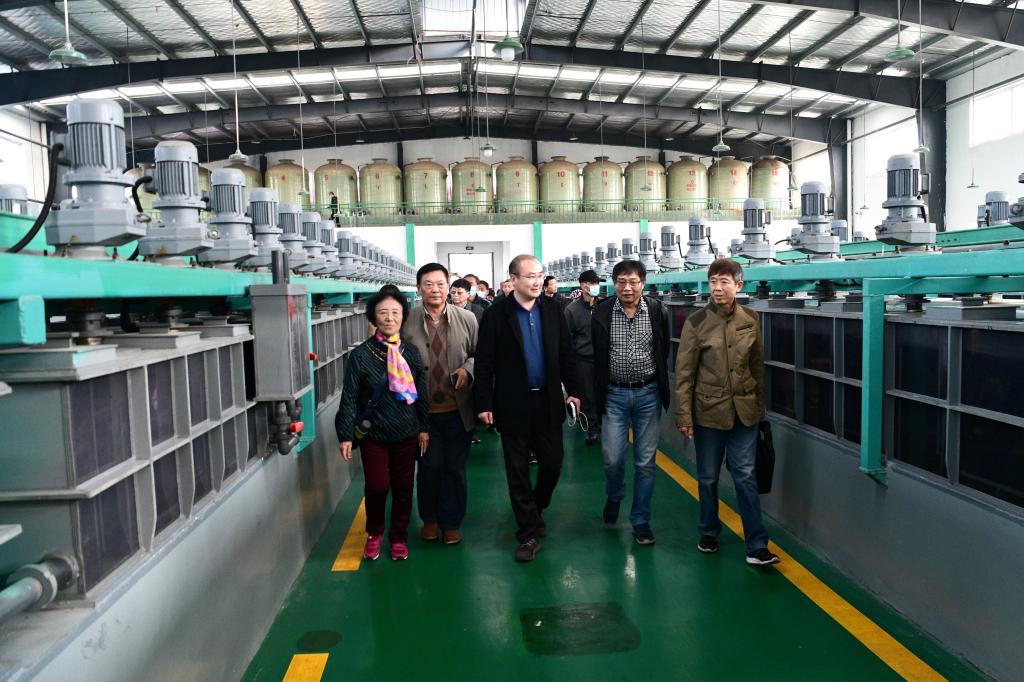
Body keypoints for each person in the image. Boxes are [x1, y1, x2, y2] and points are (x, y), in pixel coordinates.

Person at [474, 254, 582, 562]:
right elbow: (484, 362)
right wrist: (484, 403)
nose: (537, 282)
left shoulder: (552, 309)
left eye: (540, 275)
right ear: (513, 280)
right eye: (530, 276)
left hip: (548, 401)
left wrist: (574, 391)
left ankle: (535, 507)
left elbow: (566, 353)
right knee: (517, 471)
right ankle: (528, 533)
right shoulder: (496, 315)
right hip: (512, 403)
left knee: (553, 464)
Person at [675, 258, 780, 567]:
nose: (717, 288)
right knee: (708, 477)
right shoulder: (696, 322)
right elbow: (684, 374)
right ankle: (708, 531)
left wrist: (759, 410)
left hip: (744, 412)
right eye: (713, 282)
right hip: (708, 412)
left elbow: (756, 367)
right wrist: (684, 417)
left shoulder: (751, 319)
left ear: (738, 285)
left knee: (745, 476)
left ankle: (757, 545)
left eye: (724, 282)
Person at [336, 286, 429, 562]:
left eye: (395, 313)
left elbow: (421, 394)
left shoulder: (411, 353)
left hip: (406, 431)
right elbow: (350, 397)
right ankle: (374, 533)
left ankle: (399, 537)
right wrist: (345, 435)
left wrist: (424, 427)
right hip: (373, 434)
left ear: (403, 316)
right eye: (383, 313)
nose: (390, 318)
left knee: (403, 488)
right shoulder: (361, 355)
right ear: (373, 317)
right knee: (377, 485)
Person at [591, 260, 671, 545]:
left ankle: (640, 520)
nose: (628, 288)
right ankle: (615, 495)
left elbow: (663, 351)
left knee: (645, 462)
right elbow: (596, 353)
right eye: (622, 282)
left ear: (643, 283)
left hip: (648, 394)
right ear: (614, 284)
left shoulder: (658, 311)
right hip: (613, 394)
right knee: (612, 458)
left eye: (634, 282)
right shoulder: (601, 312)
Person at [403, 264, 479, 546]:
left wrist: (468, 369)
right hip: (422, 413)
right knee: (429, 467)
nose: (435, 289)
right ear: (419, 288)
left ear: (449, 287)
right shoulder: (407, 320)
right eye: (428, 284)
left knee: (455, 468)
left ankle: (451, 522)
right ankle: (430, 519)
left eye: (440, 284)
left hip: (458, 409)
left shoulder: (467, 319)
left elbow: (480, 354)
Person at [563, 269, 605, 445]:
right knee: (588, 396)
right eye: (592, 283)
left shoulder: (603, 306)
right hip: (583, 360)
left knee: (603, 394)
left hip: (603, 359)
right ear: (583, 286)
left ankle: (604, 425)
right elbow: (566, 340)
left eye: (597, 283)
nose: (596, 286)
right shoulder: (572, 310)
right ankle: (592, 428)